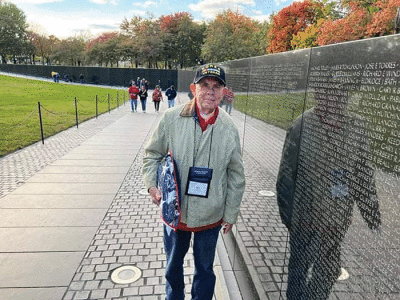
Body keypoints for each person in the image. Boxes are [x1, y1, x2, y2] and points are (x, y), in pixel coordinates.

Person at [142, 63, 245, 300]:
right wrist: (152, 186)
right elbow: (152, 154)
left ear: (224, 92)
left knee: (206, 271)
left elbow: (236, 175)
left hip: (210, 216)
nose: (210, 91)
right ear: (193, 88)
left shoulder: (229, 127)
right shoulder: (171, 118)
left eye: (216, 86)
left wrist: (231, 214)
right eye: (205, 85)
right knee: (173, 268)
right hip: (176, 214)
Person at [276, 72, 381, 300]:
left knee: (327, 271)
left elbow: (363, 174)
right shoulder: (301, 125)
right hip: (304, 220)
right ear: (319, 95)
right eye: (330, 92)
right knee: (298, 272)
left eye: (342, 92)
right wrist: (290, 219)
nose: (337, 97)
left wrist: (372, 215)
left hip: (336, 220)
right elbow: (285, 178)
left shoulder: (357, 126)